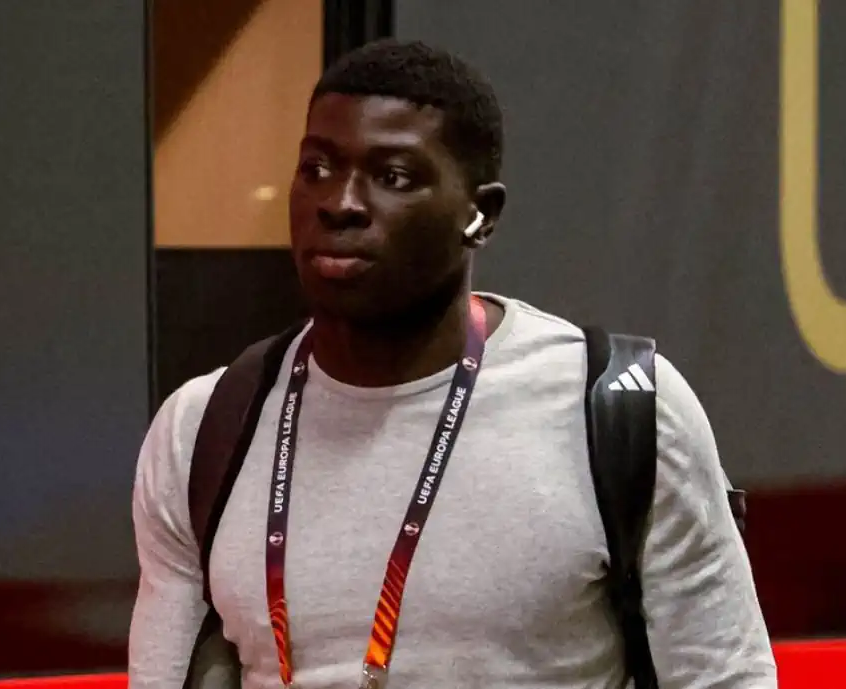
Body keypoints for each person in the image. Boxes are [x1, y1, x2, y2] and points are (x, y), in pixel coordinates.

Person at [129, 38, 777, 689]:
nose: (340, 202)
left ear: (481, 215)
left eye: (394, 177)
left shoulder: (619, 412)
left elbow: (725, 676)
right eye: (317, 168)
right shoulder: (203, 428)